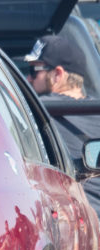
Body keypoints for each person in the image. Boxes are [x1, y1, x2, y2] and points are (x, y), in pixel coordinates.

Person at [25, 35, 100, 218]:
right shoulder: (96, 110)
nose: (28, 78)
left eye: (34, 70)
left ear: (57, 74)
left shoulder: (35, 110)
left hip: (71, 225)